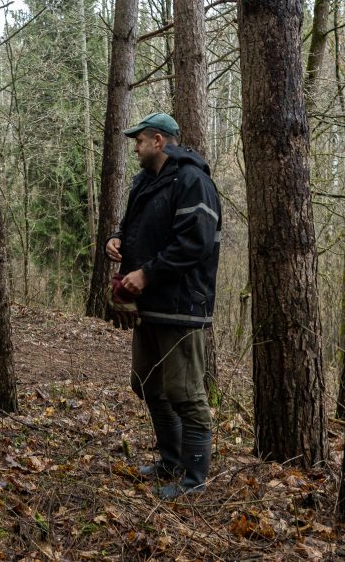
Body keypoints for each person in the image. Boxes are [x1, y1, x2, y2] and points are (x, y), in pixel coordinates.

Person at [105, 112, 221, 499]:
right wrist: (118, 241)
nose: (134, 147)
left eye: (138, 140)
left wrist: (148, 273)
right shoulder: (144, 182)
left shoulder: (193, 181)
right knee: (147, 384)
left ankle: (194, 481)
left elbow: (196, 243)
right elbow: (135, 227)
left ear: (158, 141)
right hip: (150, 306)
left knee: (185, 394)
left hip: (182, 305)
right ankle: (170, 462)